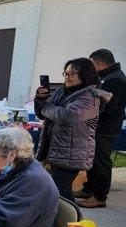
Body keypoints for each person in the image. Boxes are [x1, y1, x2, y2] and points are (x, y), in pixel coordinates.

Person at [35, 58, 111, 202]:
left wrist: (45, 107)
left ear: (85, 75)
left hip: (72, 153)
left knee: (61, 193)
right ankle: (65, 222)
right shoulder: (61, 92)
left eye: (72, 74)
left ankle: (72, 222)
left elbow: (67, 116)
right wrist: (40, 99)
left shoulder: (90, 97)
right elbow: (42, 114)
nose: (67, 77)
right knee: (56, 191)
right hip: (56, 150)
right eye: (65, 73)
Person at [75, 49, 126, 208]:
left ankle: (99, 196)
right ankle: (89, 189)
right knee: (91, 159)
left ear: (100, 64)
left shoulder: (115, 80)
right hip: (97, 126)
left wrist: (88, 110)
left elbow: (108, 107)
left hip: (105, 128)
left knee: (101, 161)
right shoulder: (107, 77)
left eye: (92, 65)